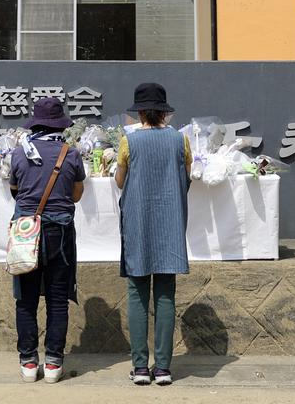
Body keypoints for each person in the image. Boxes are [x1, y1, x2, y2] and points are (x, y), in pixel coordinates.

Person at [115, 82, 192, 387]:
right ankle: (163, 368)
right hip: (170, 224)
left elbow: (121, 181)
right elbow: (186, 177)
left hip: (138, 223)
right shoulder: (180, 141)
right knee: (165, 294)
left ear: (140, 113)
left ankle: (139, 367)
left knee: (137, 294)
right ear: (163, 112)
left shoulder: (128, 143)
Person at [9, 96, 85, 384]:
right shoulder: (71, 154)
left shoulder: (18, 154)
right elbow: (76, 195)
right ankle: (53, 363)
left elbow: (15, 191)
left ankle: (28, 362)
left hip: (26, 233)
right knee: (57, 299)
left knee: (25, 300)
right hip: (60, 234)